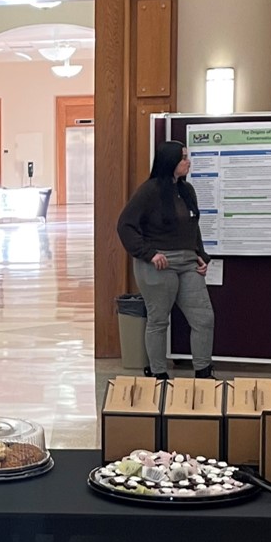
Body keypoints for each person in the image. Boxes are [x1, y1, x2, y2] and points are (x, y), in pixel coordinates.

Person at [117, 140, 215, 379]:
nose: (187, 161)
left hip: (187, 261)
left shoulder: (187, 190)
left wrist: (201, 255)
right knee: (159, 320)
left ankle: (203, 372)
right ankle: (158, 374)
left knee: (204, 318)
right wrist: (149, 254)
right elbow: (125, 226)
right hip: (159, 264)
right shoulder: (149, 191)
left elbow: (193, 226)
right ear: (170, 161)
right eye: (183, 158)